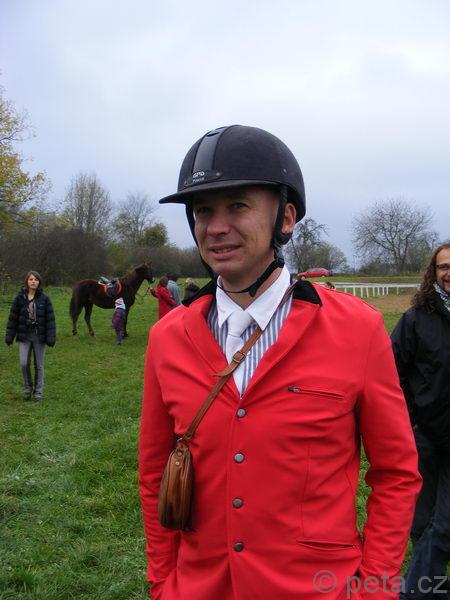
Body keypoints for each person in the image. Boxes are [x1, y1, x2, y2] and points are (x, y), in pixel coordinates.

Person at [139, 125, 421, 600]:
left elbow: (396, 474)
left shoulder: (359, 329)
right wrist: (164, 582)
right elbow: (153, 474)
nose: (215, 227)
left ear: (286, 217)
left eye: (237, 206)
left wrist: (375, 588)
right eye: (203, 211)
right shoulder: (167, 338)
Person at [391, 242, 450, 600]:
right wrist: (409, 421)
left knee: (443, 526)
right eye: (443, 266)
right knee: (422, 524)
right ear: (433, 273)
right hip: (424, 436)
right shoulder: (416, 320)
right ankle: (435, 590)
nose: (449, 272)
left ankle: (410, 594)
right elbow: (390, 374)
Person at [5, 270, 56, 401]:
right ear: (27, 282)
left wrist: (50, 337)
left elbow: (50, 319)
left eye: (36, 279)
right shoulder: (19, 298)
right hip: (24, 336)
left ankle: (38, 392)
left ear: (39, 282)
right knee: (23, 363)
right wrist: (10, 335)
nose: (33, 282)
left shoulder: (45, 299)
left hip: (39, 337)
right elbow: (13, 318)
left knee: (39, 365)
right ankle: (27, 389)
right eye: (31, 279)